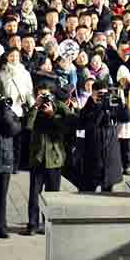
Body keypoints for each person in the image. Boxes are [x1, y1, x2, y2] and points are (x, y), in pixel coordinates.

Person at [25, 88, 77, 235]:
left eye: (47, 95)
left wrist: (52, 113)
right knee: (34, 194)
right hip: (38, 158)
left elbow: (69, 124)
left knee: (52, 195)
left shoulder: (58, 108)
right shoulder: (35, 109)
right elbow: (28, 125)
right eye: (41, 95)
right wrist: (36, 106)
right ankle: (32, 224)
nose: (45, 98)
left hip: (54, 158)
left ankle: (48, 223)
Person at [79, 80, 130, 192]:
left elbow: (126, 118)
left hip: (110, 152)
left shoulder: (111, 104)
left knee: (108, 191)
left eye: (104, 94)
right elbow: (87, 124)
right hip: (93, 154)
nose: (102, 96)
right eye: (99, 94)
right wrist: (100, 107)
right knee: (88, 190)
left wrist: (122, 105)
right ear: (93, 93)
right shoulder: (88, 107)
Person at [0, 48, 33, 173]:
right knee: (7, 139)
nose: (14, 58)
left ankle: (15, 165)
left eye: (16, 56)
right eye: (11, 56)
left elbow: (29, 91)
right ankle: (6, 164)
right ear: (7, 57)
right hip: (6, 110)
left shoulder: (25, 73)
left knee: (18, 140)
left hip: (20, 109)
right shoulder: (1, 74)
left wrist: (32, 105)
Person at [0, 93, 21, 238]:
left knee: (2, 196)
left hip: (4, 159)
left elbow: (15, 129)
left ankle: (0, 226)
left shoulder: (6, 110)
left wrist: (4, 110)